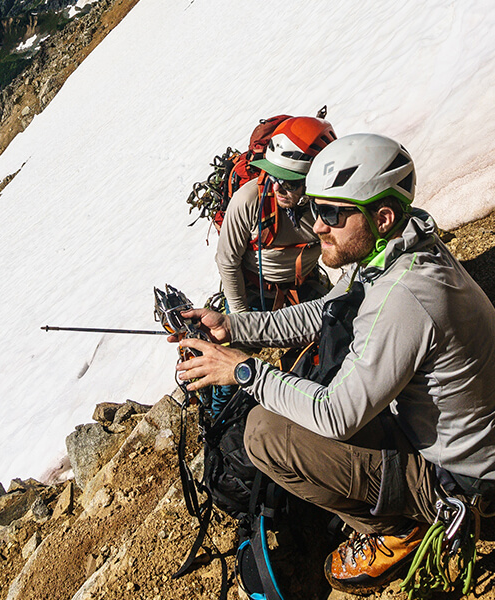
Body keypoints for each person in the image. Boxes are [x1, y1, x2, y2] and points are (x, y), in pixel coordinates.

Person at [171, 133, 495, 594]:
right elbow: (326, 312)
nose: (316, 226)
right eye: (313, 209)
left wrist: (244, 371)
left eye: (331, 213)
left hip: (463, 483)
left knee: (264, 434)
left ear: (380, 216)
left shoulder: (403, 297)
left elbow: (334, 415)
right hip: (467, 449)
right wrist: (233, 327)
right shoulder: (401, 245)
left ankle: (397, 529)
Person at [216, 116, 336, 313]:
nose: (278, 187)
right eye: (273, 176)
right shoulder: (249, 199)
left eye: (290, 182)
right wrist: (240, 318)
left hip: (305, 283)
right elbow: (227, 261)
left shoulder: (333, 204)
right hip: (254, 292)